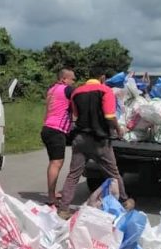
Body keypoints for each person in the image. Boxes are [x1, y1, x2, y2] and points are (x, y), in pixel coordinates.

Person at [58, 67, 134, 219]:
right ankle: (125, 201)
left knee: (73, 174)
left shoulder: (76, 92)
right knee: (113, 173)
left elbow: (76, 116)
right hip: (100, 141)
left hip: (80, 139)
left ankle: (63, 209)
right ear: (103, 78)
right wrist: (118, 129)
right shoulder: (106, 91)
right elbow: (109, 116)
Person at [41, 69, 75, 206]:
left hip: (47, 128)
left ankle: (52, 193)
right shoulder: (67, 89)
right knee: (56, 163)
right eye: (72, 79)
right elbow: (79, 98)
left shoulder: (52, 89)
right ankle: (51, 198)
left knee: (53, 162)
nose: (73, 82)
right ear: (64, 79)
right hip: (57, 130)